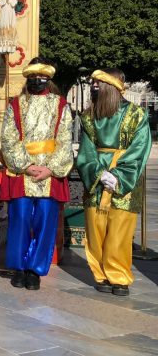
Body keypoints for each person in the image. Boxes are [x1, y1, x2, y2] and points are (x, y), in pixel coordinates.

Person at [0, 57, 72, 291]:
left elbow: (65, 139)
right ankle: (19, 267)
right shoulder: (15, 105)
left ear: (48, 78)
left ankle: (36, 269)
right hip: (22, 171)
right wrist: (26, 165)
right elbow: (8, 138)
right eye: (32, 77)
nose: (36, 81)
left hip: (49, 172)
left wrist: (50, 168)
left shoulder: (60, 105)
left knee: (45, 221)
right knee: (19, 220)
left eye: (41, 77)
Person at [76, 68, 151, 296]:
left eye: (98, 84)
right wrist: (98, 173)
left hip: (124, 183)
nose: (93, 88)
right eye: (92, 84)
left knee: (119, 231)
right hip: (97, 179)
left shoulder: (136, 115)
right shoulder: (89, 117)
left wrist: (119, 175)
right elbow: (86, 152)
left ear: (111, 88)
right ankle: (100, 274)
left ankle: (119, 276)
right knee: (96, 229)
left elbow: (139, 149)